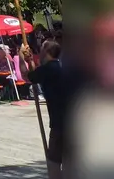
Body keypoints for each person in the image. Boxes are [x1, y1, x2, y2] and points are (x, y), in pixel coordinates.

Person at [28, 40, 68, 179]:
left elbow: (27, 76)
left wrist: (22, 58)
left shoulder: (48, 69)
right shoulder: (65, 66)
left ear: (46, 52)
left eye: (41, 50)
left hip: (59, 121)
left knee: (54, 159)